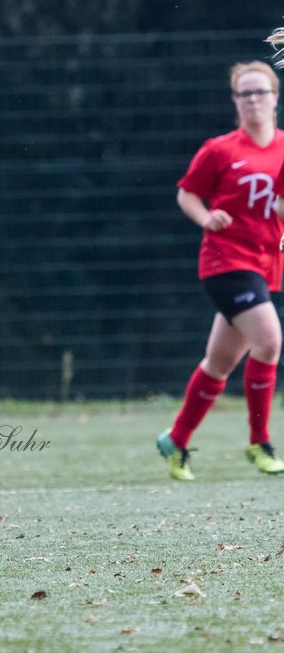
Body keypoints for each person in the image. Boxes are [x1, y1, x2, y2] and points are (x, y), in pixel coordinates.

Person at [157, 60, 284, 480]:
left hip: (266, 262)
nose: (253, 100)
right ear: (235, 101)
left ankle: (176, 440)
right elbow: (187, 194)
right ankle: (259, 441)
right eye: (244, 93)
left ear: (275, 96)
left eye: (260, 92)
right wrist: (206, 218)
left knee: (220, 362)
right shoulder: (221, 149)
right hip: (226, 261)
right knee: (268, 341)